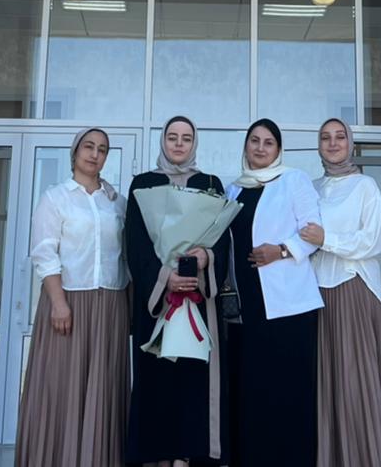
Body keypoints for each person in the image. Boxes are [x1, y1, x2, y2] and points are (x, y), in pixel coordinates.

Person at [16, 127, 129, 467]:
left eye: (102, 149)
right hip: (68, 303)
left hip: (110, 305)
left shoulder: (117, 202)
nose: (95, 154)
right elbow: (43, 252)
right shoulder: (55, 198)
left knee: (104, 386)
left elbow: (126, 255)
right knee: (62, 384)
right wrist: (58, 302)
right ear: (75, 151)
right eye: (89, 147)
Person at [125, 116, 230, 466]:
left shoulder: (210, 184)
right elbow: (136, 243)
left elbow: (222, 239)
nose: (179, 144)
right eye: (173, 137)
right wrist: (164, 278)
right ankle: (158, 455)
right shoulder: (143, 184)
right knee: (157, 375)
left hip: (196, 299)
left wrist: (205, 258)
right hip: (158, 300)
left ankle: (188, 455)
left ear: (194, 143)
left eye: (186, 138)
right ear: (163, 141)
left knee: (192, 377)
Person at [300, 118, 381, 467]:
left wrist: (326, 239)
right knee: (324, 382)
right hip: (315, 293)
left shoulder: (365, 187)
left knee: (355, 381)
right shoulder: (310, 188)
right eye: (325, 137)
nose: (333, 143)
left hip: (353, 288)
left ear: (351, 143)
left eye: (340, 136)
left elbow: (372, 242)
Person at [225, 118, 322, 467]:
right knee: (252, 389)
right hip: (245, 305)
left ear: (279, 149)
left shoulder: (293, 180)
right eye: (255, 141)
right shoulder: (233, 189)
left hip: (288, 306)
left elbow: (313, 232)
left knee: (287, 391)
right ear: (246, 146)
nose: (261, 148)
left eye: (268, 142)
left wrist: (280, 251)